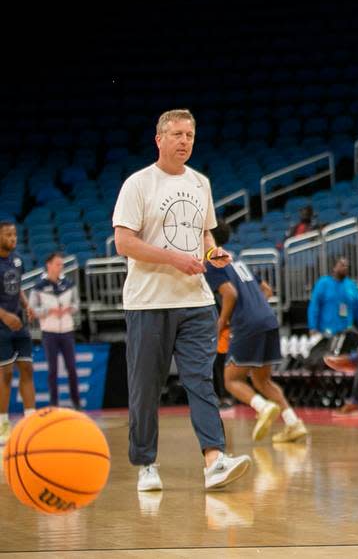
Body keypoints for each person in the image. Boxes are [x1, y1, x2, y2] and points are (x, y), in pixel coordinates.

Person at [112, 109, 252, 491]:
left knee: (201, 381)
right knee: (144, 387)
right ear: (159, 139)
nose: (184, 141)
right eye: (176, 134)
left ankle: (214, 460)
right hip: (148, 303)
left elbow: (204, 236)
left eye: (189, 135)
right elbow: (124, 242)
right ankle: (146, 465)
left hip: (195, 302)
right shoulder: (138, 184)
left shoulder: (200, 183)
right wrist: (173, 258)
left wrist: (213, 253)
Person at [208, 220, 308, 444]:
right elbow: (266, 289)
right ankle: (293, 423)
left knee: (231, 380)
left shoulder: (212, 260)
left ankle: (263, 407)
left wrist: (222, 323)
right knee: (263, 381)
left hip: (247, 324)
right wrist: (256, 309)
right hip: (268, 319)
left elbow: (230, 294)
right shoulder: (236, 259)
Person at [29, 251, 82, 409]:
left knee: (71, 368)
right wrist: (48, 312)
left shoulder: (69, 284)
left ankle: (76, 403)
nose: (61, 267)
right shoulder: (39, 287)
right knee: (52, 370)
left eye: (62, 265)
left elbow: (77, 304)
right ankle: (54, 404)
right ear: (49, 265)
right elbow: (32, 309)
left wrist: (68, 309)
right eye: (58, 264)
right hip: (49, 332)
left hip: (67, 330)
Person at [0, 221, 37, 444]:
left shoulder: (18, 260)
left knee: (27, 367)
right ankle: (3, 424)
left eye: (14, 234)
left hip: (18, 323)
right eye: (7, 235)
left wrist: (26, 305)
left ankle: (31, 420)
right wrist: (4, 315)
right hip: (1, 325)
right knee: (5, 374)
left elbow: (18, 286)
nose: (13, 238)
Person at [307, 257, 358, 337]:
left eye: (347, 266)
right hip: (325, 333)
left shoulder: (351, 285)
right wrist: (313, 327)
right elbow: (314, 306)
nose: (345, 268)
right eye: (342, 265)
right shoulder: (323, 283)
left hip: (346, 333)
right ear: (334, 267)